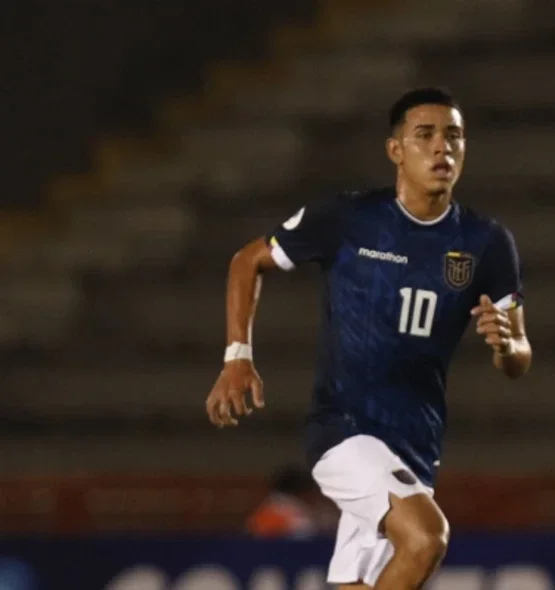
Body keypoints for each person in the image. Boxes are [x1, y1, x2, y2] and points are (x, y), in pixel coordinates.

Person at [204, 87, 532, 590]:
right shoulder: (351, 218)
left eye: (454, 136)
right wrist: (237, 355)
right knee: (427, 538)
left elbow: (520, 359)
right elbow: (248, 260)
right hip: (344, 429)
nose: (442, 148)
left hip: (417, 444)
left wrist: (507, 345)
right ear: (395, 150)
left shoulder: (486, 243)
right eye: (425, 135)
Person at [246, 465, 330, 539]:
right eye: (311, 491)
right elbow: (305, 532)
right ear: (301, 491)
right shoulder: (277, 508)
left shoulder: (301, 507)